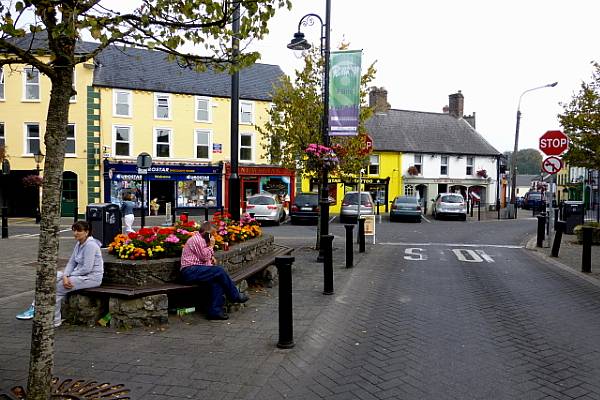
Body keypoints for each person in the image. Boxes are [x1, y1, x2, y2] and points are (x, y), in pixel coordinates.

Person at [16, 221, 104, 327]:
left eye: (79, 231)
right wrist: (65, 275)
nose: (75, 233)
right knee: (49, 278)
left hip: (91, 278)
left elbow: (87, 268)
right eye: (74, 230)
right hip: (79, 275)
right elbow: (72, 262)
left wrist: (68, 277)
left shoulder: (91, 245)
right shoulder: (79, 243)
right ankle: (34, 307)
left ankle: (55, 320)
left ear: (86, 232)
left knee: (57, 288)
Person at [180, 221, 249, 320]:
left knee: (217, 281)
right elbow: (204, 257)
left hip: (197, 271)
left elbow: (204, 261)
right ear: (206, 233)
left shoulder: (203, 241)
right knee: (219, 271)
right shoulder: (197, 240)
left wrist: (210, 259)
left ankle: (214, 312)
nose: (214, 236)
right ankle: (235, 296)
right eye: (212, 234)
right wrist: (211, 246)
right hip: (189, 271)